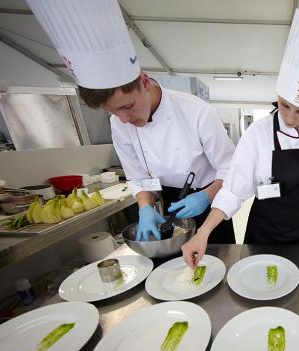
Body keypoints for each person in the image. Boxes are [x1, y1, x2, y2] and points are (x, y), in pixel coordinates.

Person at [26, 0, 236, 244]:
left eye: (127, 107)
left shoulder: (197, 112)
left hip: (210, 197)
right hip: (167, 197)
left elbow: (230, 168)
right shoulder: (120, 123)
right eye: (115, 113)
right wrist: (145, 208)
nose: (126, 119)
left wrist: (207, 196)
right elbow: (136, 176)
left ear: (144, 82)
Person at [180, 8, 299, 268]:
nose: (291, 117)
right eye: (284, 106)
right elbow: (233, 190)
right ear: (277, 97)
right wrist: (203, 232)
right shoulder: (257, 135)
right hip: (264, 230)